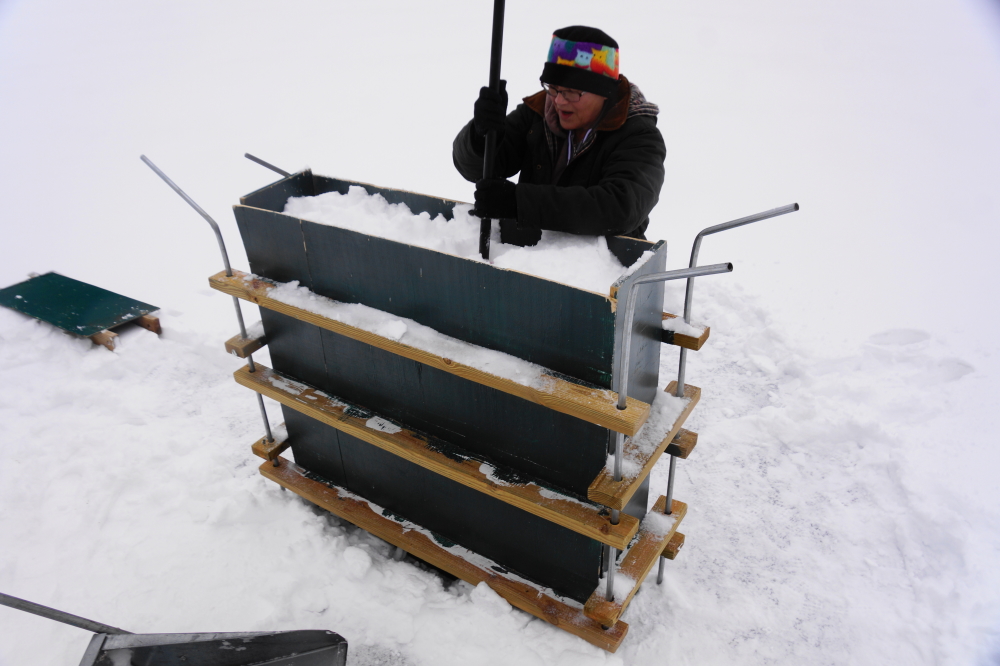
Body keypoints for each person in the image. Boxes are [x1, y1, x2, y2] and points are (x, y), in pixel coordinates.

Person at [453, 25, 666, 244]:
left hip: (605, 267)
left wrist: (520, 203)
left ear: (604, 92)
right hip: (530, 261)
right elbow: (478, 169)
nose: (559, 101)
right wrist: (481, 136)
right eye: (553, 88)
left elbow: (621, 208)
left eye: (572, 92)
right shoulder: (537, 113)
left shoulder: (639, 136)